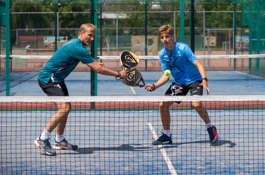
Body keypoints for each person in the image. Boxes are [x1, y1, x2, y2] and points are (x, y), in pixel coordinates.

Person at [35, 23, 127, 156]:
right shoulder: (77, 48)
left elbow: (88, 60)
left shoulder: (76, 44)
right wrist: (119, 74)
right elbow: (98, 69)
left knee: (67, 108)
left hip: (58, 79)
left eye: (93, 36)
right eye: (90, 35)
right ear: (81, 34)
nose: (92, 38)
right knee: (64, 108)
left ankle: (59, 141)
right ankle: (42, 138)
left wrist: (95, 61)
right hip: (49, 79)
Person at [143, 24, 218, 145]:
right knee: (163, 104)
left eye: (167, 36)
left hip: (194, 80)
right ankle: (166, 135)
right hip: (179, 83)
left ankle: (210, 127)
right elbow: (166, 75)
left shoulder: (183, 48)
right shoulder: (163, 54)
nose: (164, 40)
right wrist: (154, 86)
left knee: (196, 104)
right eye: (162, 37)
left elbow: (198, 64)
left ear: (173, 36)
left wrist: (204, 79)